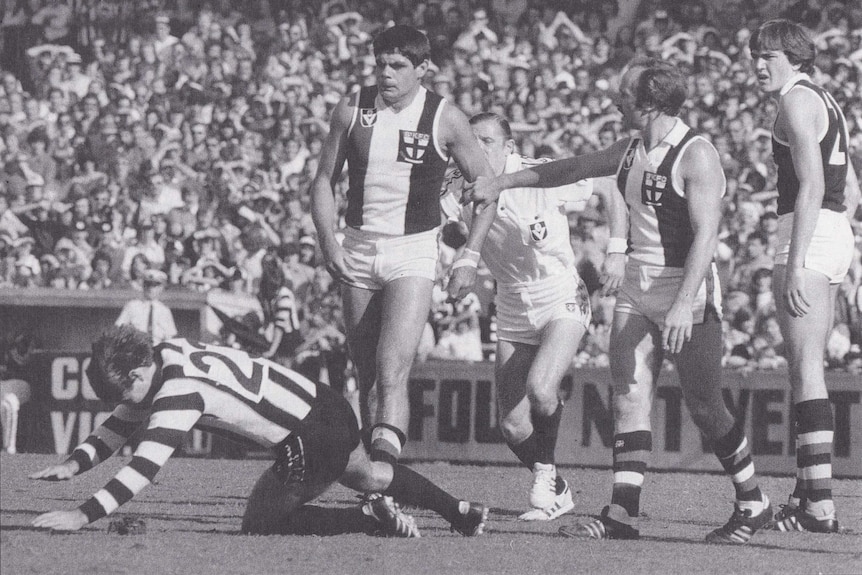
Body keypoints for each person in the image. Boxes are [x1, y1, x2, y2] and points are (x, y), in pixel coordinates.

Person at [463, 57, 772, 544]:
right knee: (629, 398)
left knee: (706, 405)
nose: (616, 98)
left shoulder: (697, 155)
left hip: (685, 287)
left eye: (625, 93)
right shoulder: (631, 148)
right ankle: (621, 514)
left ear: (648, 103)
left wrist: (682, 301)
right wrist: (503, 181)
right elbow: (571, 168)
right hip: (637, 285)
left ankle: (753, 500)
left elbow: (707, 235)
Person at [29, 325, 488, 538]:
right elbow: (123, 421)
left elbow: (143, 468)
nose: (130, 405)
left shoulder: (179, 391)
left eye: (127, 391)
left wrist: (82, 515)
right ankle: (461, 510)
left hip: (307, 436)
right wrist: (75, 463)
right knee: (369, 475)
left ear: (135, 373)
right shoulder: (167, 351)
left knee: (260, 523)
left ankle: (367, 520)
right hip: (327, 405)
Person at [310, 25, 497, 467]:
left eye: (397, 66)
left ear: (423, 69)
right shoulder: (352, 108)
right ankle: (373, 473)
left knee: (393, 371)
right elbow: (322, 181)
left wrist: (470, 254)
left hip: (413, 251)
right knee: (367, 373)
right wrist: (327, 241)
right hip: (357, 247)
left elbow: (487, 188)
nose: (386, 74)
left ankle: (383, 479)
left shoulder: (445, 117)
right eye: (380, 65)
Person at [441, 112, 593, 521]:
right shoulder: (456, 184)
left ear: (510, 147)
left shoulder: (537, 175)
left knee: (543, 390)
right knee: (511, 425)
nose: (478, 148)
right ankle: (557, 487)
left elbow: (605, 182)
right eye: (472, 140)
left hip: (559, 292)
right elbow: (441, 225)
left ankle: (544, 475)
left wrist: (615, 247)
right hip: (511, 301)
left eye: (488, 140)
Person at [749, 20, 860, 534]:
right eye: (754, 55)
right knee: (804, 369)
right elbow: (852, 190)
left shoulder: (795, 101)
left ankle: (820, 505)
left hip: (807, 232)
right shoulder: (826, 99)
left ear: (793, 56)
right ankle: (807, 494)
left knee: (805, 369)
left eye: (766, 55)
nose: (756, 65)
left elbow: (810, 184)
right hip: (834, 232)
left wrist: (794, 260)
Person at [114, 269, 178, 345]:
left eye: (155, 286)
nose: (150, 289)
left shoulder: (164, 310)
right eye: (148, 285)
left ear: (161, 288)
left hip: (158, 349)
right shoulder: (132, 306)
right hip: (136, 349)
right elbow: (119, 329)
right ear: (143, 286)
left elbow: (169, 337)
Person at [1, 331, 33, 454]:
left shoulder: (24, 338)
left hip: (19, 382)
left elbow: (27, 359)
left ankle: (8, 450)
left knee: (7, 402)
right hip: (3, 385)